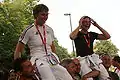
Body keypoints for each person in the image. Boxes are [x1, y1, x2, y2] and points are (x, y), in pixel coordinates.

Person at [14, 4, 73, 80]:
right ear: (36, 15)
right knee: (48, 76)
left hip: (51, 59)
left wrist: (56, 58)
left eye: (46, 15)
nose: (45, 17)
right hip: (38, 59)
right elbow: (18, 50)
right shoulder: (29, 30)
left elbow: (52, 47)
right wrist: (17, 68)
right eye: (42, 15)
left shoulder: (50, 30)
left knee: (66, 76)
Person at [70, 16, 111, 80]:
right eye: (85, 22)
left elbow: (107, 36)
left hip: (93, 58)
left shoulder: (91, 34)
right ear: (81, 23)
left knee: (105, 76)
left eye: (89, 22)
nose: (87, 24)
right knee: (89, 79)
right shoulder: (77, 34)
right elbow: (72, 37)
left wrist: (97, 25)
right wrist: (79, 25)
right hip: (82, 59)